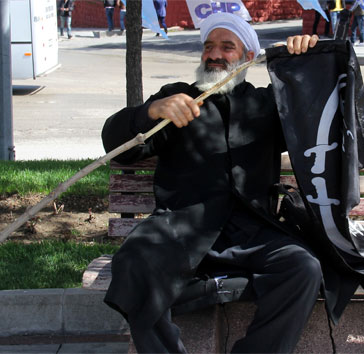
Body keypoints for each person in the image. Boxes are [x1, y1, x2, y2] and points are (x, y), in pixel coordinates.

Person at [101, 12, 321, 353]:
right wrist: (150, 112)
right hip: (180, 230)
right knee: (134, 262)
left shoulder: (268, 104)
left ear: (248, 57)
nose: (214, 54)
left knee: (303, 268)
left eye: (226, 46)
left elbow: (317, 122)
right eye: (208, 46)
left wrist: (306, 64)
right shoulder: (177, 98)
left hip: (253, 232)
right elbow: (119, 147)